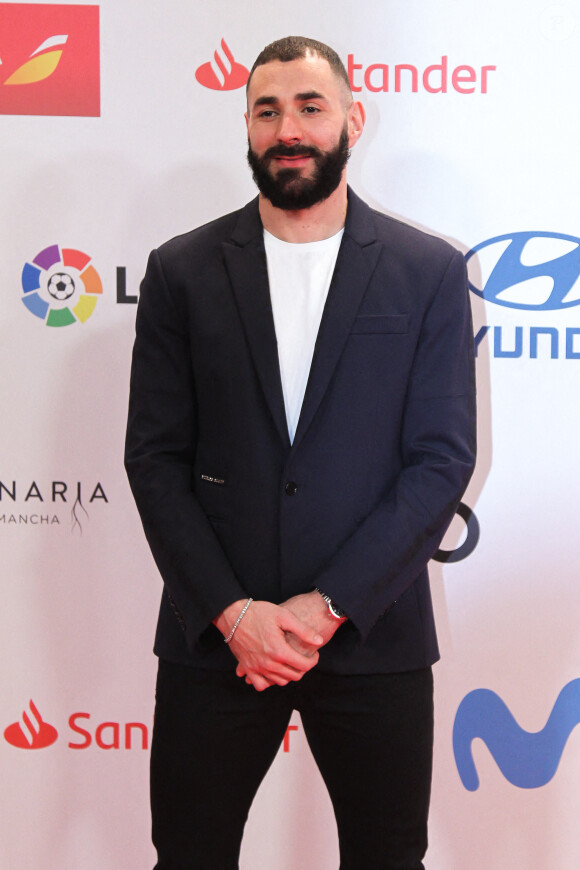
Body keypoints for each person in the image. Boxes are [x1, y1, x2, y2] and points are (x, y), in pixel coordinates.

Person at [125, 35, 476, 870]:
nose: (289, 128)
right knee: (189, 855)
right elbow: (154, 459)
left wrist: (327, 608)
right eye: (268, 110)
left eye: (310, 107)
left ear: (353, 119)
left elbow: (440, 459)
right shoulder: (180, 271)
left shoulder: (428, 271)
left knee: (388, 857)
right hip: (219, 639)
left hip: (372, 632)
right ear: (246, 127)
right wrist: (235, 614)